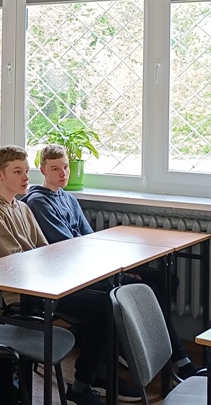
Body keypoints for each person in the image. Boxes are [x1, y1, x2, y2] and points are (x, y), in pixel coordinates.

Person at [23, 144, 205, 381]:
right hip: (72, 273)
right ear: (43, 170)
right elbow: (69, 248)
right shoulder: (39, 202)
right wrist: (118, 275)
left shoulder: (68, 197)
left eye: (65, 167)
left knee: (167, 280)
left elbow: (90, 240)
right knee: (146, 289)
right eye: (55, 169)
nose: (63, 173)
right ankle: (180, 360)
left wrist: (123, 269)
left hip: (89, 264)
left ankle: (132, 347)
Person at [0, 145, 109, 405]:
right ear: (0, 174)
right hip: (22, 293)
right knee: (103, 308)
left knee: (108, 299)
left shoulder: (21, 207)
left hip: (44, 284)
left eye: (26, 171)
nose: (26, 177)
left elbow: (46, 250)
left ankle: (88, 381)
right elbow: (13, 260)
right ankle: (81, 388)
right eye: (17, 172)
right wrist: (48, 267)